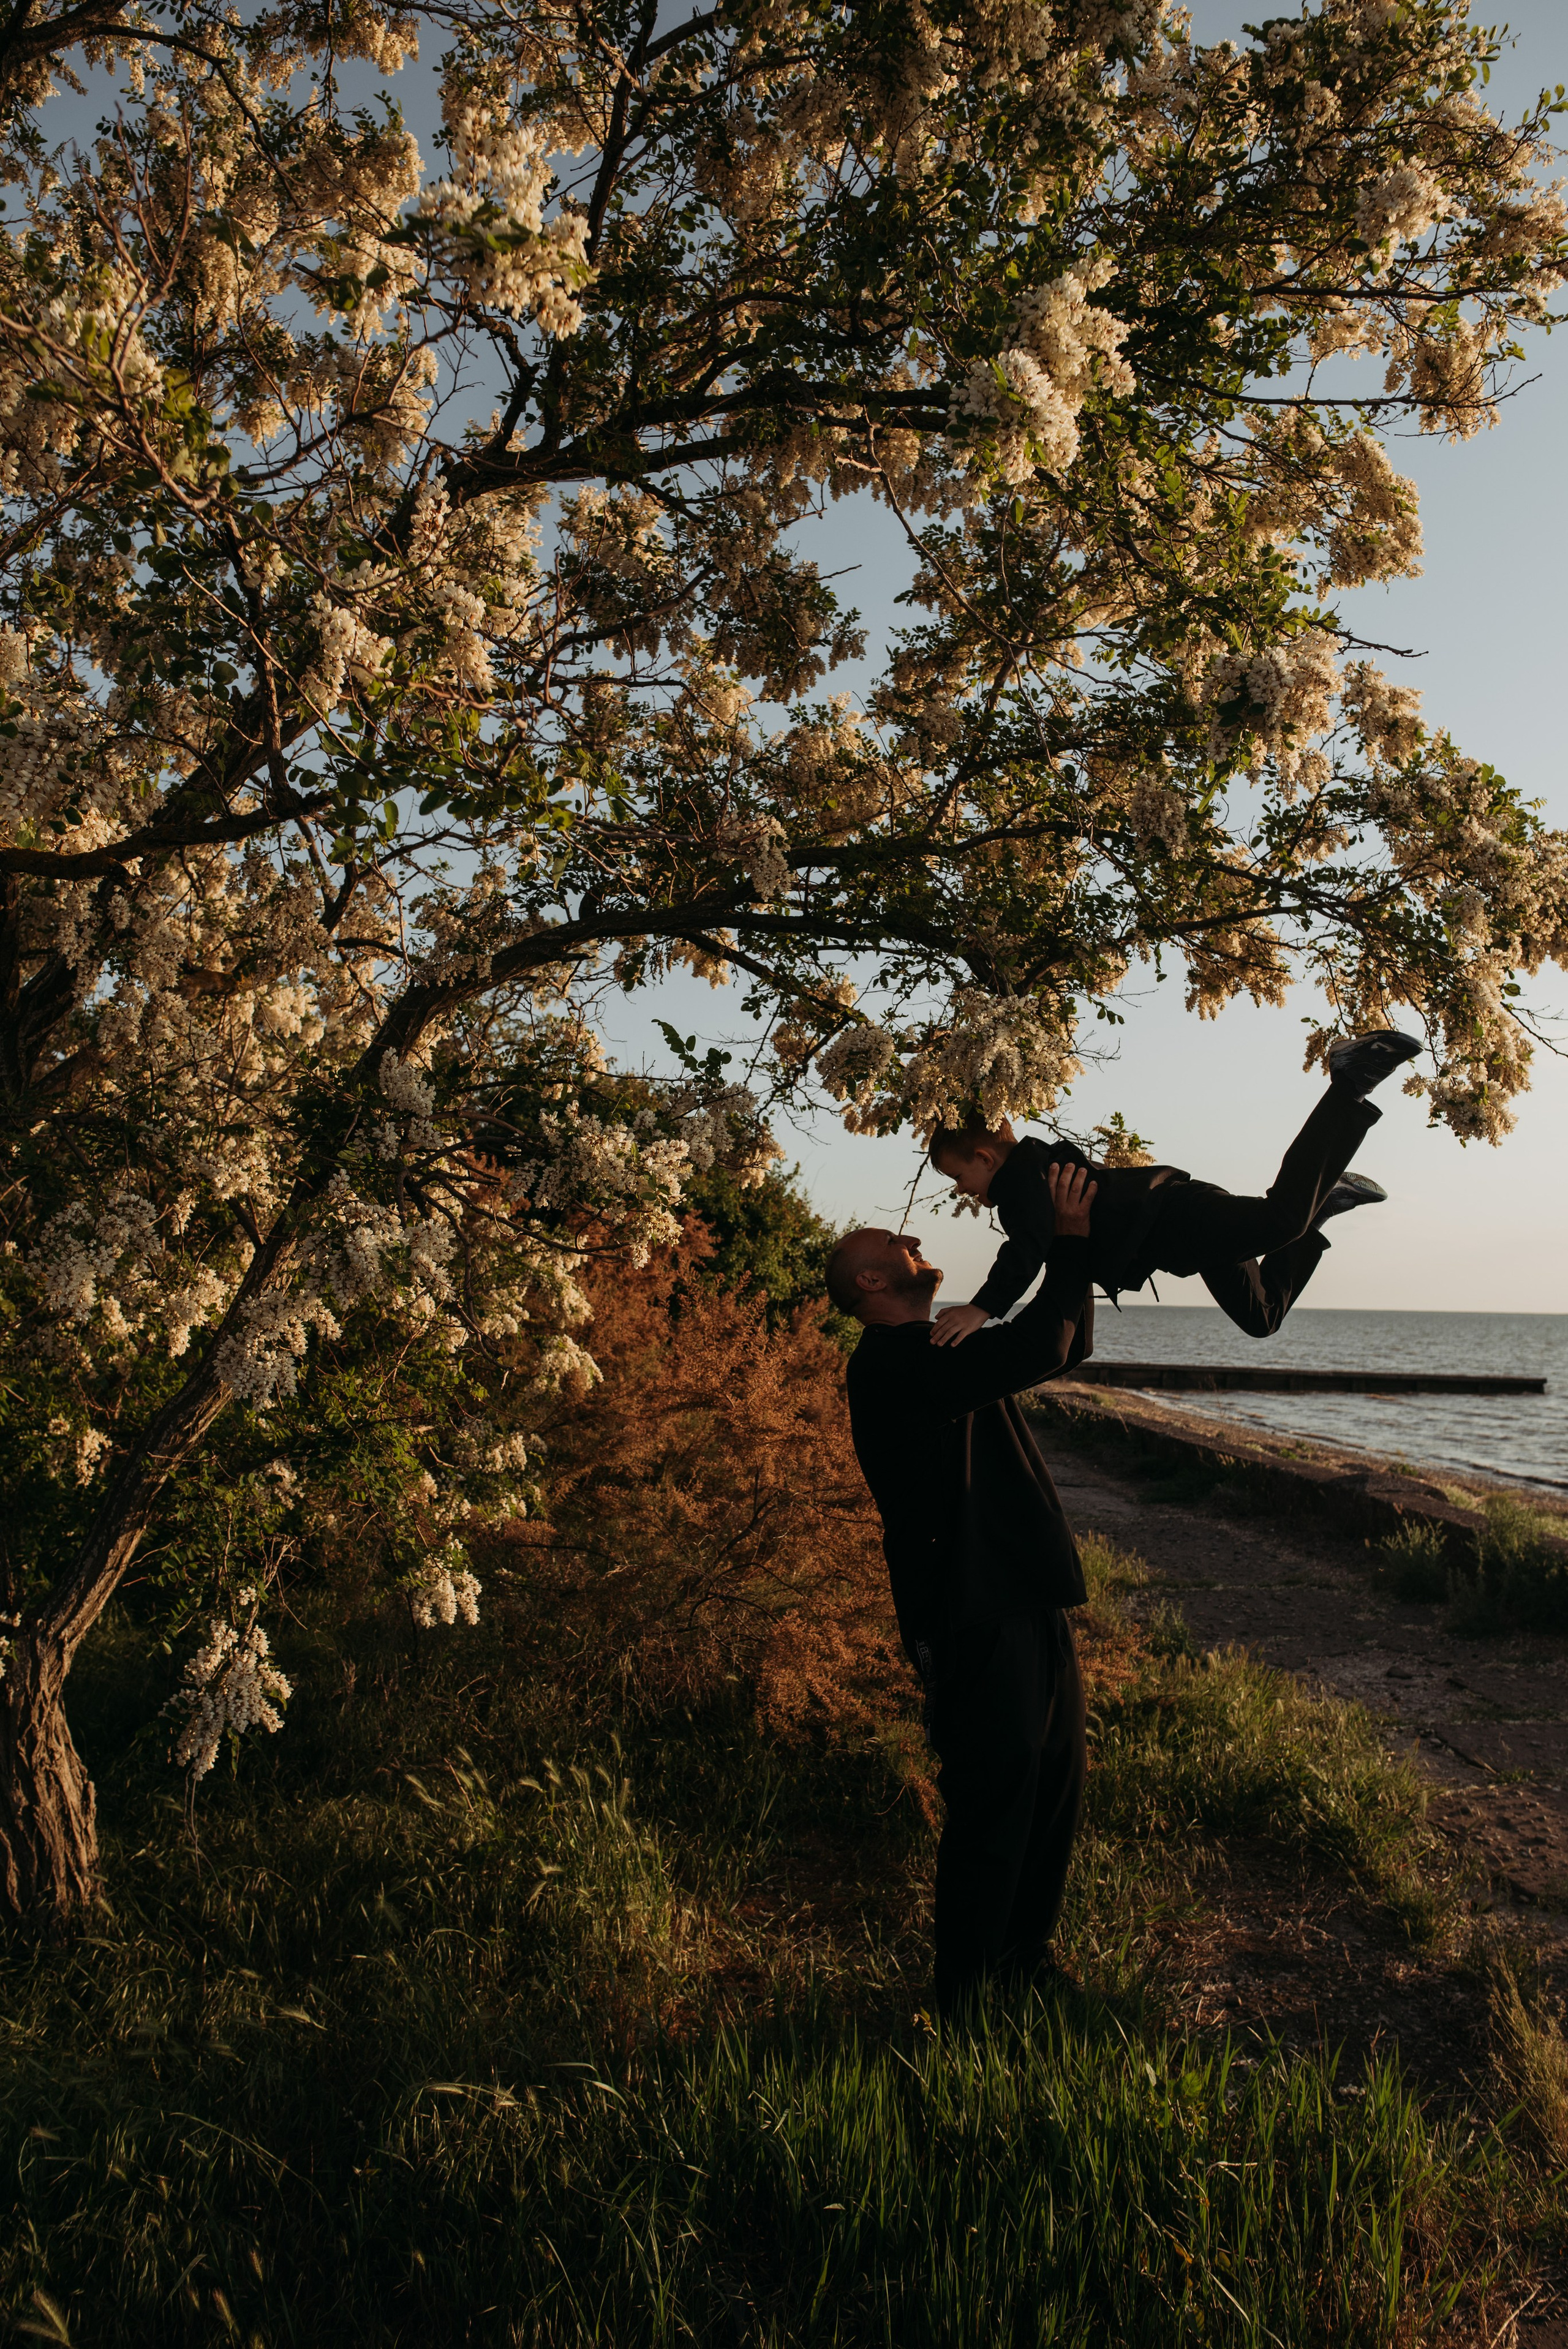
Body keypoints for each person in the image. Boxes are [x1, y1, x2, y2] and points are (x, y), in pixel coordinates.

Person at [827, 1164, 1098, 2018]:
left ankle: (1026, 1963)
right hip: (972, 1607)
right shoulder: (892, 1363)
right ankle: (968, 2000)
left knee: (1053, 1785)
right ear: (872, 1281)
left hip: (1024, 1593)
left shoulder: (942, 1346)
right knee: (994, 1798)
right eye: (893, 1244)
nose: (911, 1239)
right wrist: (1072, 1238)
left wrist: (1059, 1263)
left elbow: (1067, 1342)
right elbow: (1046, 1343)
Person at [927, 1028, 1419, 1350]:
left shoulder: (1023, 1186)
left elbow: (1026, 1251)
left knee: (1281, 1220)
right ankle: (1324, 1204)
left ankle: (1350, 1083)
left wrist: (982, 1307)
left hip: (1179, 1216)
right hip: (1185, 1235)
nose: (961, 1191)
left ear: (986, 1159)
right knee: (1262, 1317)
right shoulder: (1035, 1171)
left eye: (958, 1178)